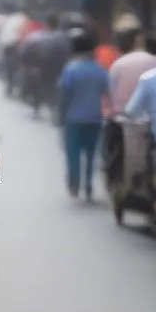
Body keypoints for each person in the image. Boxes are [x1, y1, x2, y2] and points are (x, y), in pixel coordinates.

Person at [57, 30, 109, 200]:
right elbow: (106, 92)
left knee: (73, 154)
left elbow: (64, 93)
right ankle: (88, 184)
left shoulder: (70, 69)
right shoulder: (100, 70)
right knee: (91, 153)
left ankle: (74, 183)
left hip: (74, 118)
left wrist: (60, 114)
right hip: (95, 118)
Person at [108, 28, 156, 116]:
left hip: (123, 118)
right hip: (151, 115)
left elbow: (111, 92)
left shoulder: (117, 65)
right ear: (138, 41)